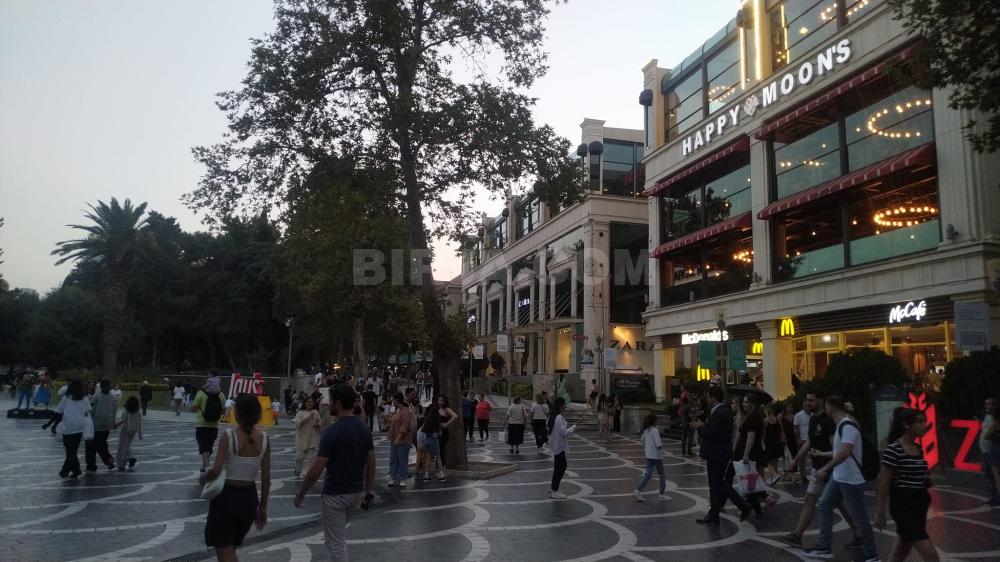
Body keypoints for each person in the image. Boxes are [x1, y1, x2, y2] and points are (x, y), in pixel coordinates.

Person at [295, 384, 375, 562]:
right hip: (356, 493)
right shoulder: (364, 428)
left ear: (338, 403)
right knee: (338, 537)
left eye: (330, 400)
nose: (328, 403)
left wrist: (301, 494)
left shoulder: (332, 432)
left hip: (335, 495)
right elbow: (371, 462)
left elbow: (316, 469)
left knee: (336, 543)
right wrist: (367, 490)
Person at [781, 391, 863, 549]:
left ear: (821, 401)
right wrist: (795, 460)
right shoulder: (813, 419)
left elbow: (837, 448)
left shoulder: (829, 420)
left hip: (829, 468)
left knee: (817, 500)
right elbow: (809, 441)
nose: (808, 403)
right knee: (831, 502)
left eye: (811, 400)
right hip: (819, 467)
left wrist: (825, 462)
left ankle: (804, 537)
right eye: (806, 400)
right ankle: (858, 533)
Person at [803, 395, 878, 561]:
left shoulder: (848, 425)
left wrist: (825, 468)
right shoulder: (841, 426)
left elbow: (845, 452)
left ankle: (872, 555)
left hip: (850, 479)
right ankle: (824, 546)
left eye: (826, 407)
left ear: (830, 407)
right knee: (824, 505)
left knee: (860, 516)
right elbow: (839, 451)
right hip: (839, 477)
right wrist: (821, 454)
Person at [200, 395, 271, 562]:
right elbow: (266, 478)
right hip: (249, 498)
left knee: (224, 550)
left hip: (226, 498)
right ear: (258, 413)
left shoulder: (229, 435)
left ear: (237, 413)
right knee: (228, 550)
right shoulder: (265, 439)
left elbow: (216, 469)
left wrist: (204, 478)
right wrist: (262, 507)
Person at [874, 407, 939, 562]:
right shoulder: (894, 450)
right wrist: (880, 513)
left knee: (900, 551)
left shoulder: (918, 448)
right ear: (906, 424)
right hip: (904, 506)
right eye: (919, 422)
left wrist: (925, 479)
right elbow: (883, 484)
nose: (924, 425)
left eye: (924, 421)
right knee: (931, 556)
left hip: (919, 504)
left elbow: (915, 473)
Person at [691, 387, 753, 524]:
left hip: (717, 454)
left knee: (718, 483)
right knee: (716, 484)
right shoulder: (722, 411)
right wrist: (703, 425)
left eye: (708, 397)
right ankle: (714, 514)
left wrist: (699, 427)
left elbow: (712, 434)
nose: (707, 400)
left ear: (713, 397)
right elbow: (715, 430)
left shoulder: (720, 412)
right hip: (718, 453)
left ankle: (742, 506)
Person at [731, 395, 769, 515]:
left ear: (753, 403)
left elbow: (751, 437)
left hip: (752, 452)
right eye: (743, 402)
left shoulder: (752, 417)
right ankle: (758, 505)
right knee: (751, 480)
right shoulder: (753, 416)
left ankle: (758, 504)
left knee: (750, 480)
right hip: (754, 451)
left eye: (746, 402)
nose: (744, 404)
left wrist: (746, 454)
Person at [191, 374, 226, 474]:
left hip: (201, 424)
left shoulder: (201, 394)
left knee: (203, 447)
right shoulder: (221, 395)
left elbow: (193, 409)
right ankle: (204, 465)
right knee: (209, 446)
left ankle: (206, 467)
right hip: (214, 425)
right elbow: (224, 411)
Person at [56, 379, 89, 478]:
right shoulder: (85, 398)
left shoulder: (66, 398)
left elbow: (59, 411)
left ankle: (67, 470)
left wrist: (50, 424)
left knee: (70, 451)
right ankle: (74, 470)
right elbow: (87, 412)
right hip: (79, 427)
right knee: (73, 451)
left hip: (68, 427)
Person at [634, 413, 671, 502]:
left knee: (647, 475)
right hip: (657, 456)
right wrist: (662, 451)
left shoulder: (646, 430)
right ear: (654, 421)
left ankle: (637, 491)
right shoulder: (655, 430)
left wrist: (648, 446)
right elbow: (658, 444)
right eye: (656, 419)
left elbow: (642, 439)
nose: (657, 421)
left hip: (649, 455)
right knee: (661, 475)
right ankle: (662, 494)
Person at [547, 397, 576, 499]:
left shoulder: (552, 416)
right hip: (559, 446)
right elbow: (563, 432)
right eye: (564, 404)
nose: (565, 406)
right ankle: (554, 490)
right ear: (560, 405)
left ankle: (554, 488)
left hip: (556, 445)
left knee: (559, 467)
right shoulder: (558, 417)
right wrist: (573, 427)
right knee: (561, 467)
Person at [86, 379, 118, 472]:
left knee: (92, 445)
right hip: (107, 425)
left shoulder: (97, 396)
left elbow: (91, 409)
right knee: (101, 443)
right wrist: (113, 422)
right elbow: (114, 411)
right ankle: (107, 461)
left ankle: (94, 464)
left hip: (96, 425)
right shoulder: (113, 397)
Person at [387, 392, 415, 487]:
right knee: (393, 459)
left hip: (403, 440)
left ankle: (403, 478)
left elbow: (405, 426)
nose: (392, 401)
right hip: (393, 438)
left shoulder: (405, 411)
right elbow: (393, 421)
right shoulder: (396, 410)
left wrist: (398, 438)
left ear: (397, 400)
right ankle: (393, 477)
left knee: (402, 459)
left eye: (393, 400)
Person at [417, 402, 447, 481]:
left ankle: (426, 475)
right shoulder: (437, 422)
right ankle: (441, 474)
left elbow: (423, 431)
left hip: (427, 440)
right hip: (435, 441)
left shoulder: (427, 421)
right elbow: (439, 433)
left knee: (428, 458)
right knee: (438, 458)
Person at [294, 396, 322, 478]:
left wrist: (317, 424)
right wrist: (307, 418)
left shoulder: (315, 412)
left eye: (311, 402)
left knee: (309, 457)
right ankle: (298, 469)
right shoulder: (300, 412)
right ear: (305, 403)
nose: (310, 403)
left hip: (312, 437)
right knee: (299, 456)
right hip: (301, 438)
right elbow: (297, 424)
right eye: (308, 402)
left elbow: (320, 424)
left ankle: (305, 472)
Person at [793, 394, 817, 484]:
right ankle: (803, 476)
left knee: (815, 457)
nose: (808, 406)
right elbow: (795, 428)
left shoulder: (813, 415)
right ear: (803, 405)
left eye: (809, 404)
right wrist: (798, 439)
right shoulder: (798, 415)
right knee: (802, 459)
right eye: (806, 404)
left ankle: (814, 474)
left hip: (812, 440)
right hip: (802, 440)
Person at [114, 396, 142, 471]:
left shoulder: (126, 411)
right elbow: (139, 422)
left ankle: (121, 464)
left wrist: (116, 425)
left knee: (122, 447)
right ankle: (131, 457)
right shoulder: (138, 411)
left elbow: (123, 420)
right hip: (134, 430)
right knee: (127, 445)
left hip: (125, 430)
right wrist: (140, 433)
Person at [981, 397, 1000, 505]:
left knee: (995, 475)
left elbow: (987, 434)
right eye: (986, 403)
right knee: (989, 474)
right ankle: (994, 496)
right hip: (987, 449)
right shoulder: (987, 417)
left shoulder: (995, 419)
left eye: (988, 404)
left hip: (992, 449)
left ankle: (997, 497)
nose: (986, 405)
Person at [436, 396, 458, 467]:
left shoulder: (446, 409)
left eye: (442, 400)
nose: (440, 402)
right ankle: (439, 465)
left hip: (444, 432)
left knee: (441, 448)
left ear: (445, 401)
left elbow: (455, 416)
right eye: (439, 400)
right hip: (436, 432)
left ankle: (442, 466)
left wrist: (447, 424)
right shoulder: (436, 408)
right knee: (438, 449)